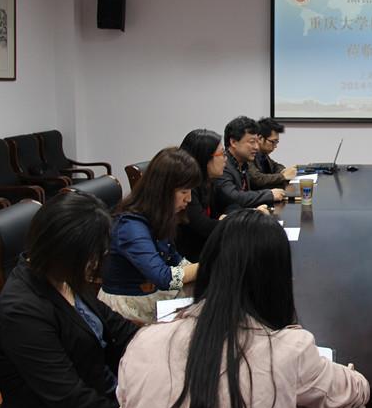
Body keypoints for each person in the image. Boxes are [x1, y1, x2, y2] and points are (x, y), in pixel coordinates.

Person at [117, 210, 370, 408]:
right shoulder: (290, 351)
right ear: (277, 280)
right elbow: (356, 390)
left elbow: (125, 404)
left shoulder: (144, 342)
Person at [0, 192, 138, 408]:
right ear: (65, 252)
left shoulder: (64, 277)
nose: (95, 264)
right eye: (92, 257)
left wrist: (161, 344)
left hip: (106, 389)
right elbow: (70, 400)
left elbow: (118, 327)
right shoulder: (21, 313)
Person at [99, 148, 200, 323]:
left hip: (151, 294)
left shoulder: (158, 216)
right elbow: (163, 278)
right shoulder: (130, 226)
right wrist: (206, 266)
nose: (189, 199)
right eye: (184, 192)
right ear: (162, 190)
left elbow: (174, 259)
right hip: (128, 306)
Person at [177, 128, 234, 261]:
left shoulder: (209, 180)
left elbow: (231, 203)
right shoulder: (187, 188)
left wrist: (226, 218)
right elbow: (203, 227)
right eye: (222, 154)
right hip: (193, 255)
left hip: (210, 246)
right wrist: (232, 222)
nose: (225, 159)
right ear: (204, 157)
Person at [216, 116, 287, 208]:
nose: (256, 147)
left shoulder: (243, 163)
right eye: (252, 142)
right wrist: (269, 194)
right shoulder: (222, 166)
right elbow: (233, 198)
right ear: (233, 142)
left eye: (257, 142)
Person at [248, 117, 298, 189]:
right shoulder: (248, 154)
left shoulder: (263, 154)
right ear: (260, 138)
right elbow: (257, 178)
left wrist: (284, 171)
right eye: (273, 142)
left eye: (276, 142)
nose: (275, 146)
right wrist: (283, 176)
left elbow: (275, 166)